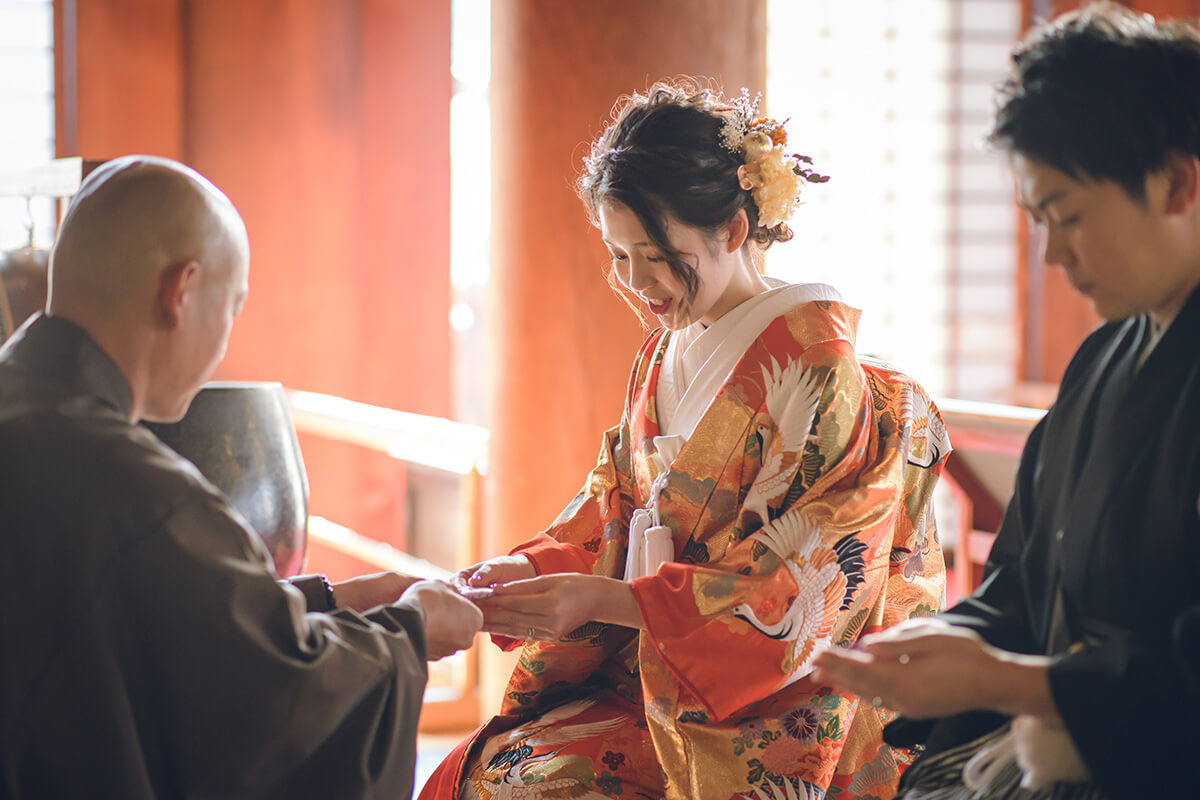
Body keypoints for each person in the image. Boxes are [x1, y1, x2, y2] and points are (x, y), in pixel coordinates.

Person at [421, 82, 950, 800]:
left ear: (732, 231)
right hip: (657, 665)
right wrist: (533, 570)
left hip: (764, 706)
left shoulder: (820, 373)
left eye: (654, 255)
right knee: (491, 768)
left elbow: (797, 588)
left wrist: (600, 601)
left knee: (538, 788)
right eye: (618, 256)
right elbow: (615, 504)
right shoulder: (661, 352)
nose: (636, 282)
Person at [0, 155, 484, 798]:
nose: (226, 341)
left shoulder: (28, 414)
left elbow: (162, 623)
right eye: (231, 308)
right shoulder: (139, 491)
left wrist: (336, 602)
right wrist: (412, 632)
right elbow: (269, 702)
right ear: (180, 292)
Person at [811, 4, 1200, 798]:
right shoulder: (1103, 360)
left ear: (1178, 182)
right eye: (1038, 223)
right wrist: (937, 647)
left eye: (1068, 216)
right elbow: (1022, 585)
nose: (1054, 254)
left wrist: (1012, 683)